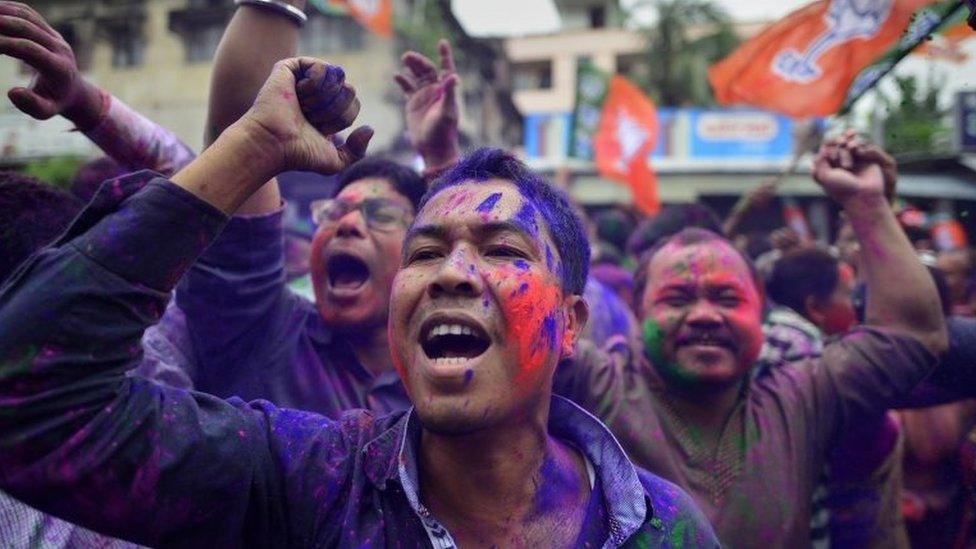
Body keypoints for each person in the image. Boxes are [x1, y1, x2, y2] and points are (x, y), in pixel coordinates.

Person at [0, 56, 716, 546]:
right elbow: (24, 400)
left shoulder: (666, 527)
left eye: (502, 249)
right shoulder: (307, 480)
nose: (451, 274)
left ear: (570, 323)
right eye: (427, 251)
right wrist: (252, 146)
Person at [554, 133, 947, 546]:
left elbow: (910, 335)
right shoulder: (594, 385)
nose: (704, 315)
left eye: (727, 298)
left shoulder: (800, 398)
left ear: (761, 312)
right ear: (638, 310)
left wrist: (868, 204)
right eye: (678, 298)